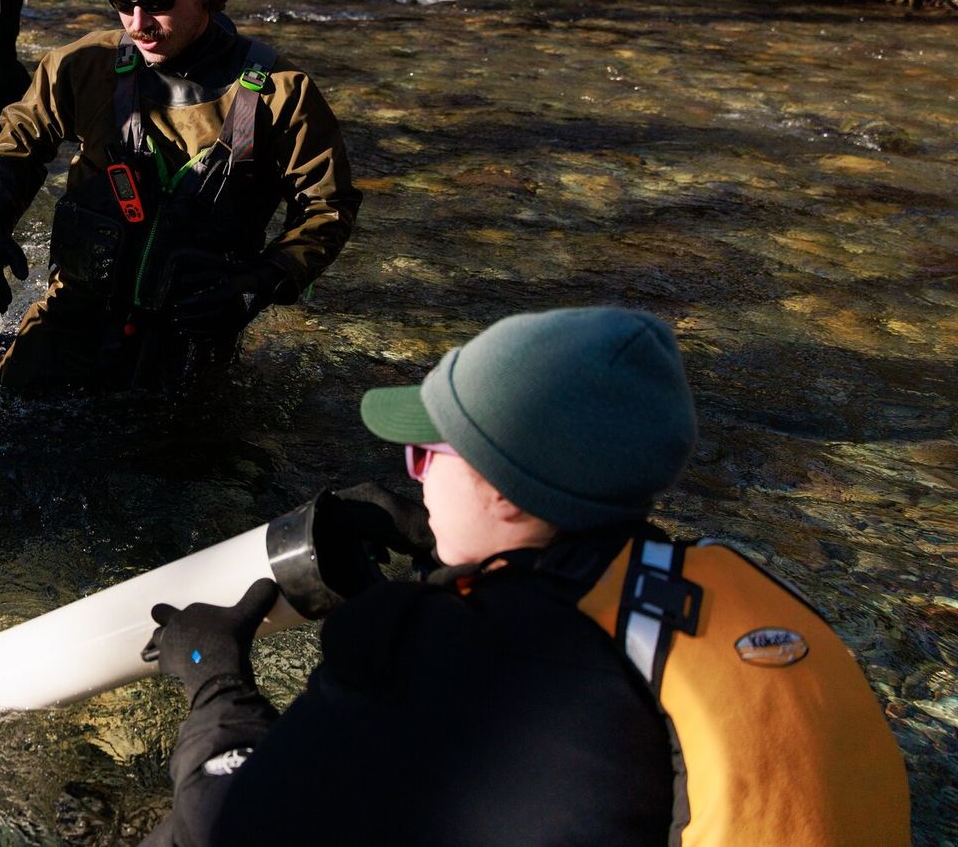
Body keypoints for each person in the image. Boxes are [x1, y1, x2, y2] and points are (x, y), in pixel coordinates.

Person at [139, 307, 912, 846]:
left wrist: (213, 678)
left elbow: (232, 822)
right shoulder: (734, 585)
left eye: (424, 455)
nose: (412, 473)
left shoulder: (452, 650)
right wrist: (449, 560)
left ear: (503, 493)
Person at [0, 0, 359, 397]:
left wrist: (258, 287)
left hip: (193, 334)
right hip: (73, 311)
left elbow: (328, 206)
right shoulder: (82, 65)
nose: (136, 23)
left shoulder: (281, 92)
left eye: (157, 3)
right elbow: (22, 138)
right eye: (121, 3)